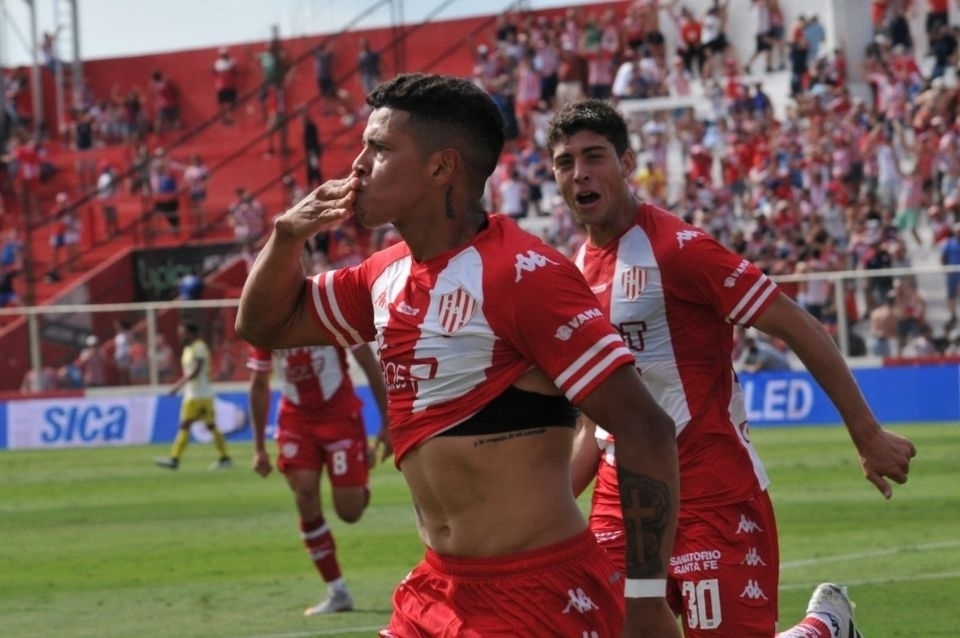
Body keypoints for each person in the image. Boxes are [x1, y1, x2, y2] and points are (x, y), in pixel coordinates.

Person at [236, 73, 681, 637]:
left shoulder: (524, 274)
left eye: (379, 149)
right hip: (436, 587)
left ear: (441, 167)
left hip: (535, 593)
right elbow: (263, 324)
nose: (358, 166)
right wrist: (285, 236)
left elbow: (646, 429)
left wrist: (645, 599)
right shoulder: (384, 274)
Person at [547, 99, 916, 638]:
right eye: (565, 162)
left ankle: (823, 628)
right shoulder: (572, 274)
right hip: (620, 503)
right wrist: (545, 512)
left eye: (593, 156)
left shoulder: (679, 250)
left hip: (712, 495)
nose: (579, 172)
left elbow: (798, 324)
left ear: (626, 163)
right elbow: (593, 421)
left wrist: (867, 434)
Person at [247, 330, 391, 615]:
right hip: (296, 420)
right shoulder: (267, 320)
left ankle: (360, 467)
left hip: (339, 415)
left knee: (349, 512)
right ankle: (337, 590)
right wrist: (259, 447)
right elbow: (259, 383)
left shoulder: (330, 312)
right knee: (305, 495)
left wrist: (388, 423)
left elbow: (368, 362)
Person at [155, 321, 232, 471]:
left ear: (191, 334)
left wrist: (178, 385)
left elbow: (197, 370)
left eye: (182, 333)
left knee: (188, 425)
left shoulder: (199, 347)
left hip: (199, 395)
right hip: (196, 394)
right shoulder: (188, 349)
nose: (180, 336)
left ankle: (175, 459)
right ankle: (224, 458)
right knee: (207, 426)